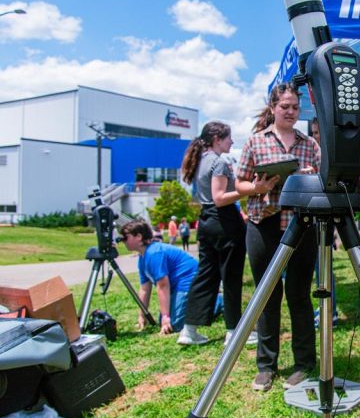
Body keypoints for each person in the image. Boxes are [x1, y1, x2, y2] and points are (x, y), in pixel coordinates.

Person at [236, 83, 320, 392]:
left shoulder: (309, 144)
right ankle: (266, 366)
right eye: (285, 106)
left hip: (301, 224)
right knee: (267, 295)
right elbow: (240, 183)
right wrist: (258, 188)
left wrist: (311, 176)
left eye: (295, 107)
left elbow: (324, 182)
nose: (290, 112)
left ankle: (304, 363)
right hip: (264, 223)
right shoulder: (256, 142)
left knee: (300, 295)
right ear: (273, 108)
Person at [177, 121, 252, 347]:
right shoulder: (219, 162)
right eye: (229, 138)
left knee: (206, 275)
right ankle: (233, 331)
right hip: (225, 222)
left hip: (206, 222)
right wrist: (247, 190)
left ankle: (189, 328)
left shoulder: (199, 160)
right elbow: (219, 197)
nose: (232, 142)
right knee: (230, 276)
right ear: (217, 139)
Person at [120, 220, 197, 334]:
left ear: (139, 237)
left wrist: (166, 317)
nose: (122, 241)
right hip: (175, 286)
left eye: (125, 237)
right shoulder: (142, 258)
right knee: (164, 321)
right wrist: (142, 316)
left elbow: (163, 285)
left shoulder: (154, 253)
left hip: (188, 281)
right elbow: (145, 289)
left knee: (174, 325)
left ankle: (215, 302)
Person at [310, 116, 339, 328]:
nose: (316, 137)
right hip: (310, 220)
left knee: (325, 271)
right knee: (319, 271)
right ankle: (325, 308)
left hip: (325, 220)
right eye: (313, 133)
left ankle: (331, 311)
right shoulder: (313, 152)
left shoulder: (330, 156)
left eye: (318, 132)